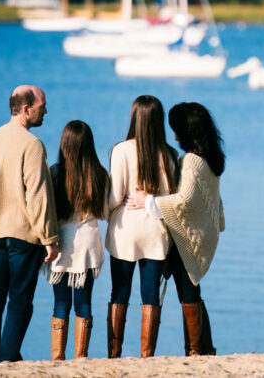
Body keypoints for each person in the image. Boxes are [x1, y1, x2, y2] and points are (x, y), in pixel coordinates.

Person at [127, 101, 225, 356]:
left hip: (189, 236)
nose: (172, 134)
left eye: (176, 128)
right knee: (192, 289)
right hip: (204, 233)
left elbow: (186, 200)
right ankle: (204, 348)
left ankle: (193, 350)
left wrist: (147, 201)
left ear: (185, 132)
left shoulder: (191, 161)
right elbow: (213, 199)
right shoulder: (211, 157)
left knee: (187, 288)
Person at [0, 85, 60, 364]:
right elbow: (38, 195)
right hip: (22, 235)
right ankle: (9, 356)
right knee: (20, 300)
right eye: (42, 106)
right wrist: (49, 238)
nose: (46, 111)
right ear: (26, 109)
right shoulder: (31, 145)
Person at [104, 95, 180, 358]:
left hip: (125, 231)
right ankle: (147, 355)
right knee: (150, 296)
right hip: (155, 232)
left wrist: (103, 210)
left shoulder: (121, 150)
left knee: (120, 292)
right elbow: (171, 198)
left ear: (134, 118)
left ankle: (114, 353)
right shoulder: (169, 154)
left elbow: (114, 198)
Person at [47, 120, 109, 360]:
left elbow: (47, 209)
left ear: (64, 145)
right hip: (88, 246)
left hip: (61, 245)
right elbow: (104, 212)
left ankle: (57, 357)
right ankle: (81, 356)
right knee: (84, 304)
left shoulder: (54, 172)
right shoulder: (100, 175)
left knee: (60, 303)